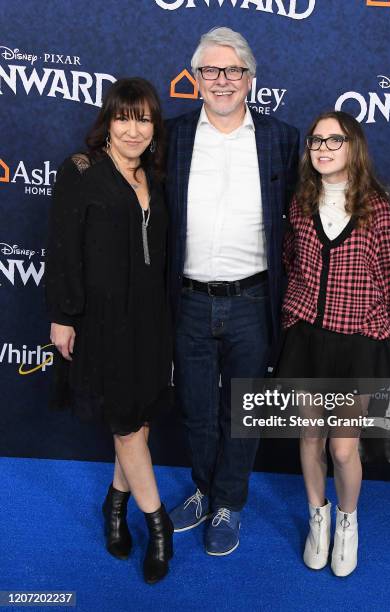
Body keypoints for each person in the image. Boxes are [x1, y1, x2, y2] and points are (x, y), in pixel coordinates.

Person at [165, 27, 299, 556]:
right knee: (197, 409)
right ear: (195, 79)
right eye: (210, 71)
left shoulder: (282, 139)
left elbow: (315, 206)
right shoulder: (171, 137)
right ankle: (202, 488)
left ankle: (229, 503)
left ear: (251, 78)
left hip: (252, 301)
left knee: (243, 411)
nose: (222, 81)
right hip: (189, 300)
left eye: (233, 70)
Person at [45, 78, 173, 584]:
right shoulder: (82, 172)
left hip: (151, 321)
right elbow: (61, 246)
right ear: (108, 121)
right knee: (124, 424)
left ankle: (114, 507)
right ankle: (158, 525)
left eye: (144, 118)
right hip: (102, 322)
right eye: (124, 117)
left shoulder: (156, 178)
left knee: (139, 424)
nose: (134, 129)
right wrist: (62, 314)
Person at [276, 110, 390, 576]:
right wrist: (295, 312)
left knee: (343, 448)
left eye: (335, 140)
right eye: (316, 141)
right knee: (310, 436)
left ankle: (347, 521)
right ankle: (319, 517)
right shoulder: (299, 205)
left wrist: (388, 343)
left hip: (356, 345)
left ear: (354, 147)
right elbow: (291, 262)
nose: (324, 148)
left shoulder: (376, 208)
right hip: (308, 339)